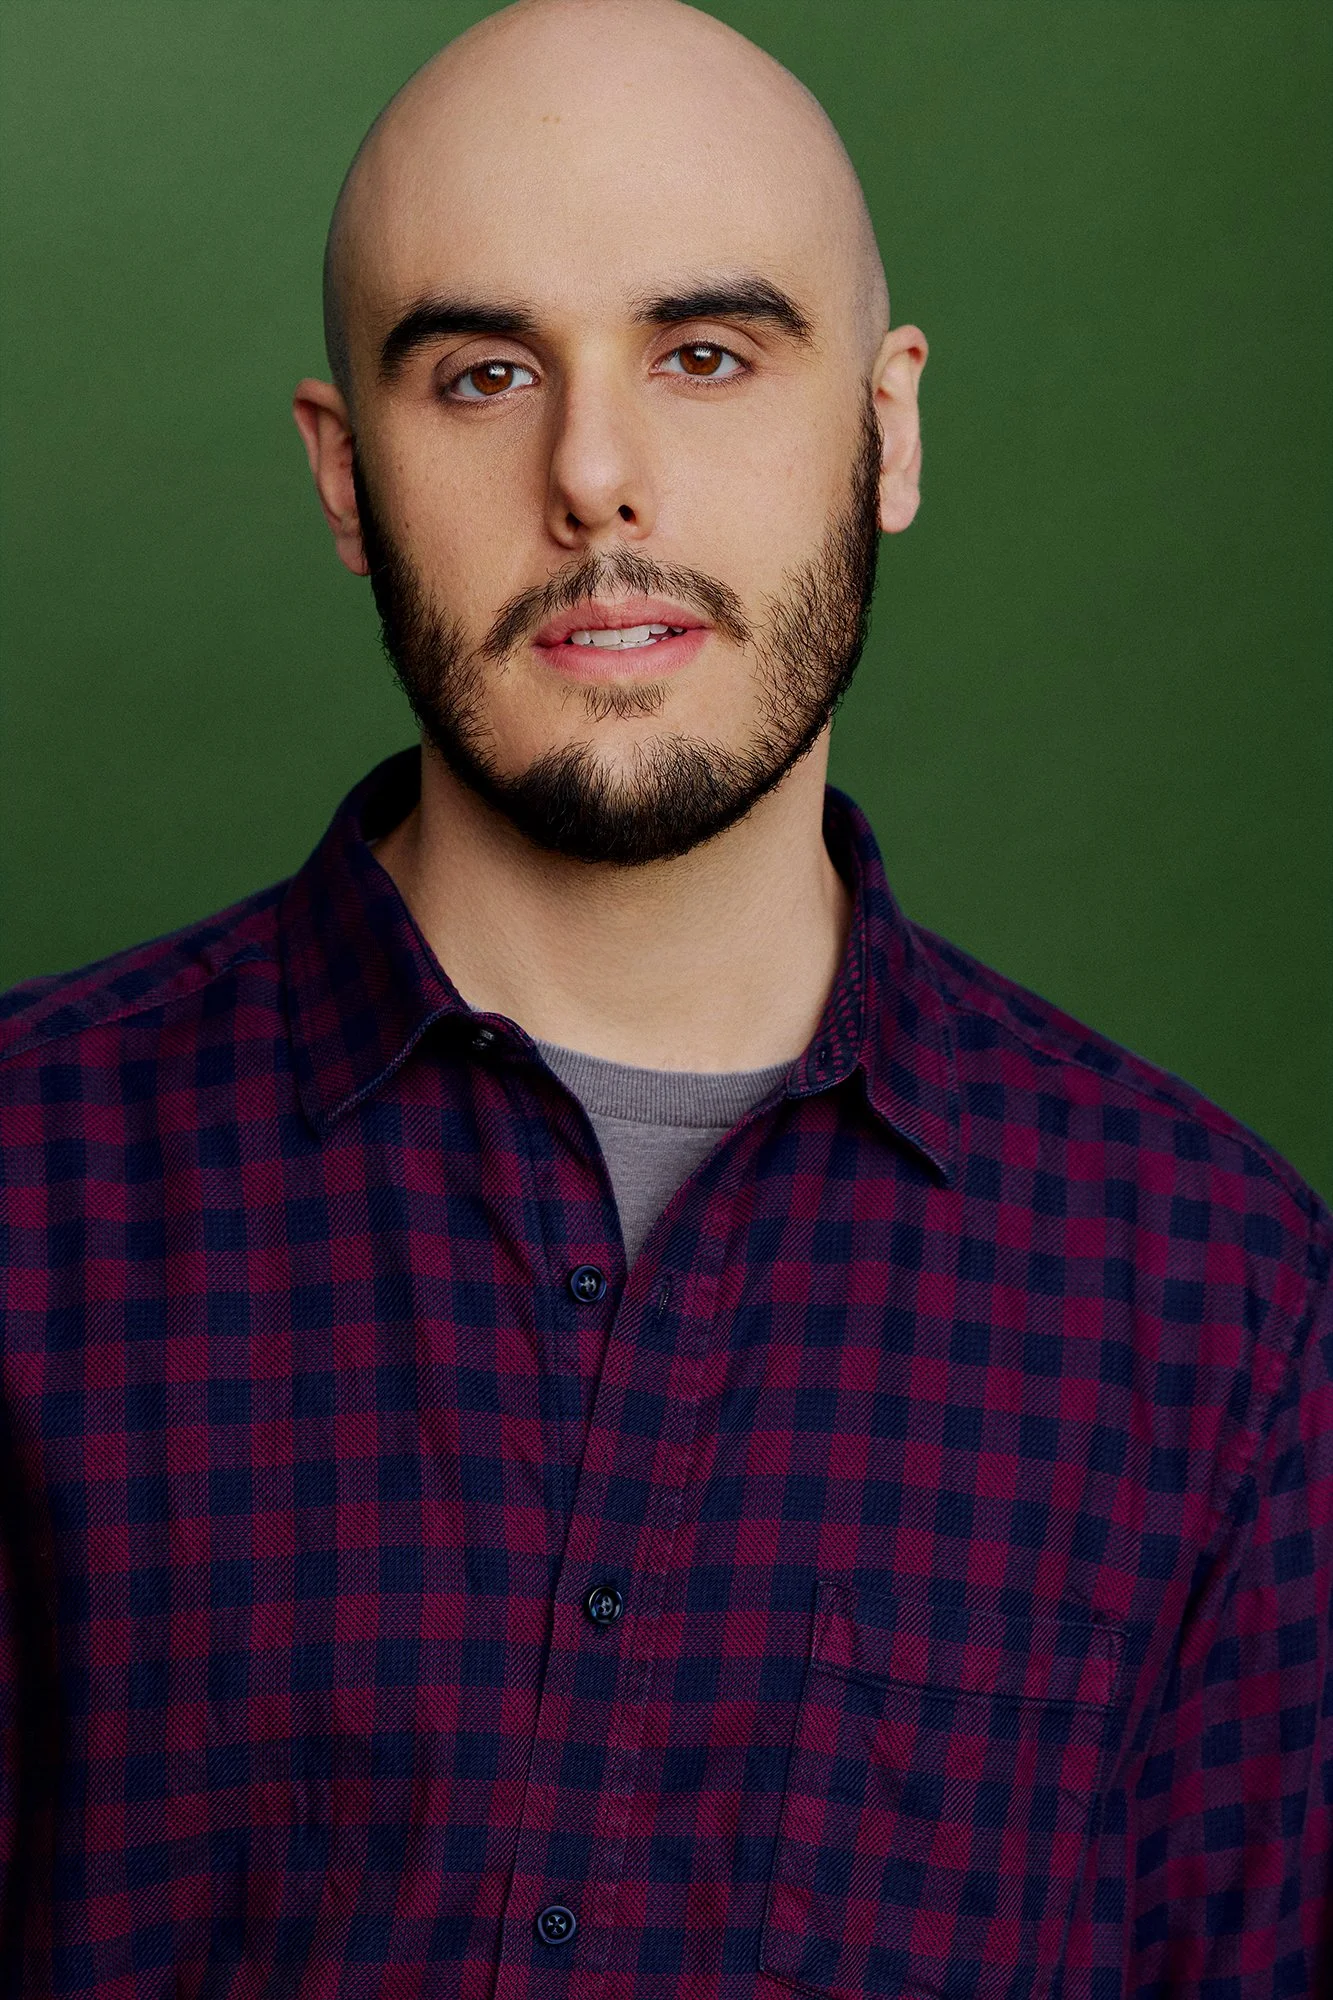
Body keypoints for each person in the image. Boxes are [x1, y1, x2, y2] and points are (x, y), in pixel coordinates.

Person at [0, 0, 1328, 1991]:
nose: (595, 475)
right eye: (482, 372)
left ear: (887, 429)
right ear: (342, 471)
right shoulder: (21, 1195)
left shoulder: (1222, 1309)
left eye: (705, 356)